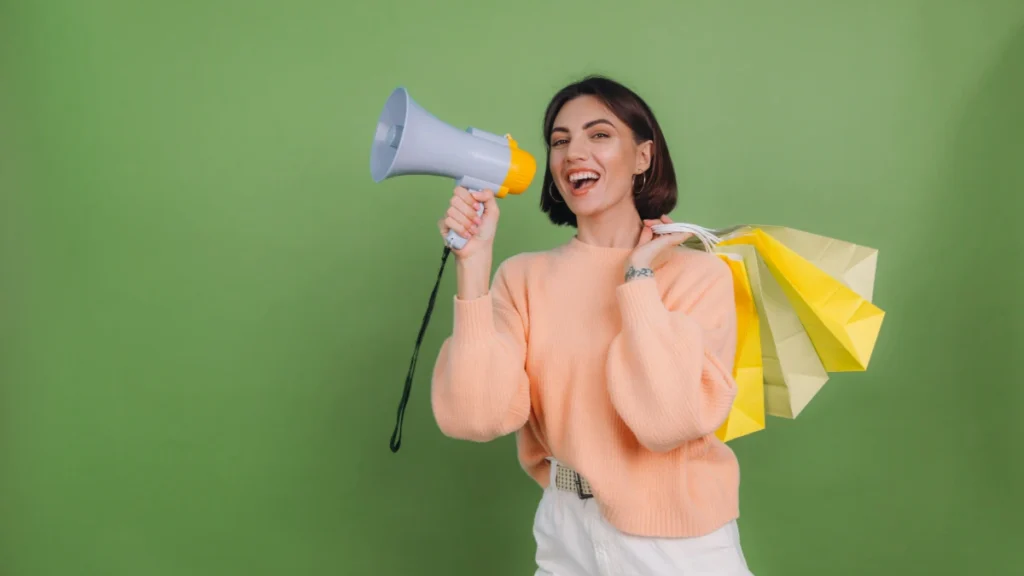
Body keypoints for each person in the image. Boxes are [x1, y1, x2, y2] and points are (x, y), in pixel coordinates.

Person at [431, 75, 754, 575]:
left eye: (599, 134)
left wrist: (639, 277)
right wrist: (472, 266)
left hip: (676, 542)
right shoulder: (522, 277)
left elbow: (669, 421)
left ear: (643, 156)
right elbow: (475, 417)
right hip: (566, 532)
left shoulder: (698, 276)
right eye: (560, 141)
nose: (573, 153)